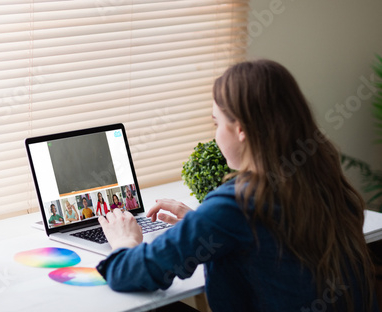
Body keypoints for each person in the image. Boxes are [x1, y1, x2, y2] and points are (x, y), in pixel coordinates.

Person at [96, 59, 377, 312]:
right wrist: (202, 224)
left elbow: (130, 273)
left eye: (217, 122)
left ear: (240, 129)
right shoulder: (325, 181)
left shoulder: (237, 204)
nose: (215, 134)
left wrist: (124, 240)